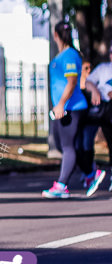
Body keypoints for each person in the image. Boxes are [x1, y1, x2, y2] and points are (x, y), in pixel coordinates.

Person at [42, 21, 88, 199]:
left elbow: (72, 82)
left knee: (68, 147)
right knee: (63, 146)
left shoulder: (69, 55)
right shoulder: (62, 55)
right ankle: (92, 173)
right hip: (63, 108)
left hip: (72, 107)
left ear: (55, 35)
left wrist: (61, 103)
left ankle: (61, 185)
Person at [80, 49, 112, 195]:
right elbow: (89, 82)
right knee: (84, 142)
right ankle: (90, 173)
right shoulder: (104, 68)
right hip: (101, 109)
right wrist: (95, 90)